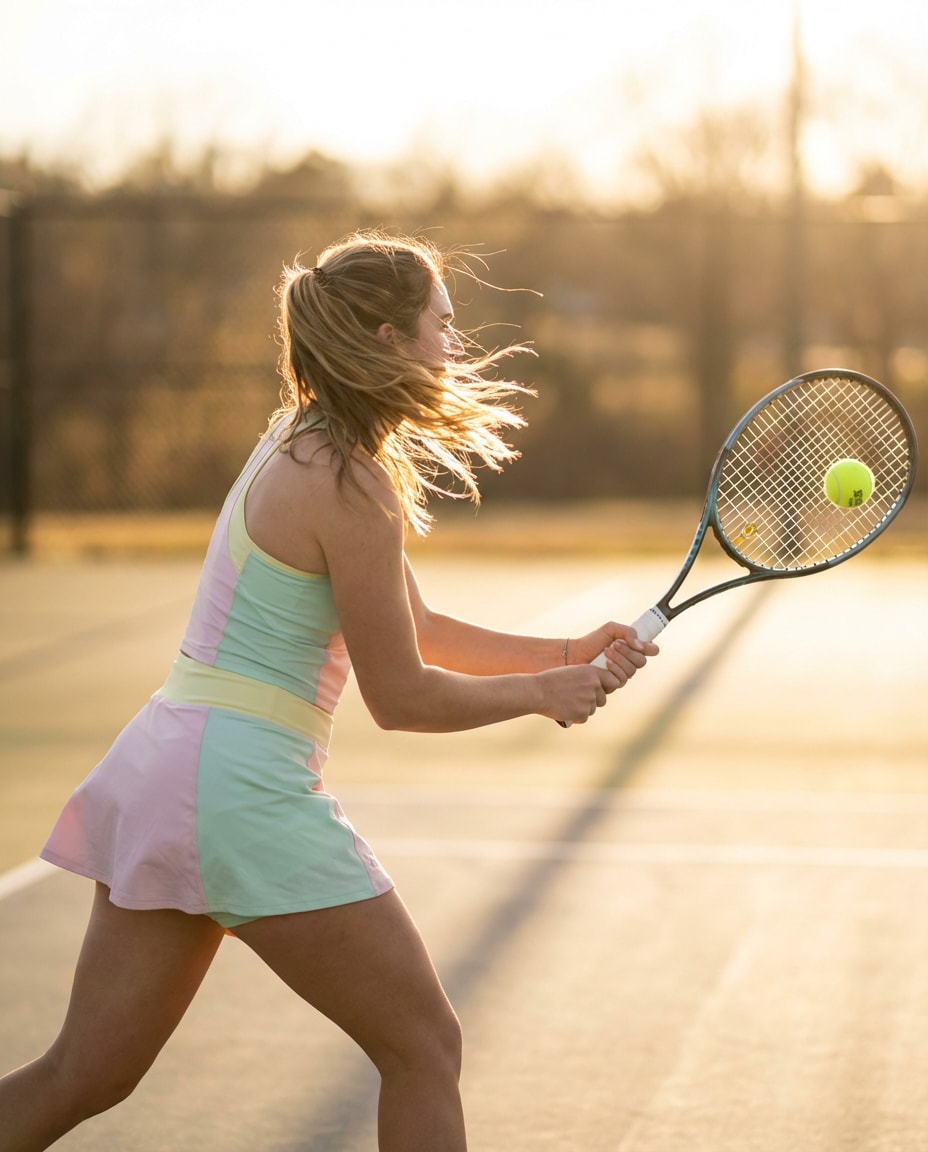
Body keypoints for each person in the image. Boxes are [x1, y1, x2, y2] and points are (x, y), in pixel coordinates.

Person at [0, 229, 658, 1152]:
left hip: (170, 769)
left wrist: (557, 651)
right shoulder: (349, 482)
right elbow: (404, 696)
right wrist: (543, 692)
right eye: (442, 322)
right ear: (387, 338)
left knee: (83, 1074)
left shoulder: (301, 442)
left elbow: (414, 628)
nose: (454, 344)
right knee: (424, 1046)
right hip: (242, 792)